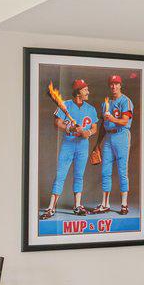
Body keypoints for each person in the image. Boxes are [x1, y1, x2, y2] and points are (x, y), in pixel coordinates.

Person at [42, 78, 97, 220]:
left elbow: (94, 127)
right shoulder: (65, 104)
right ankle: (51, 207)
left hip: (83, 146)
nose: (88, 92)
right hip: (68, 144)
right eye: (85, 90)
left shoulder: (90, 109)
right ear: (78, 92)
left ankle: (77, 206)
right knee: (60, 175)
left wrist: (88, 133)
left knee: (79, 176)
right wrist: (69, 127)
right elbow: (57, 123)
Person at [96, 73, 135, 216]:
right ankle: (105, 204)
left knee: (122, 171)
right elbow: (102, 125)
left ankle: (124, 204)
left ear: (120, 84)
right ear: (109, 85)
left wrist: (112, 118)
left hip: (121, 135)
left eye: (116, 83)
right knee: (105, 171)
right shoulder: (105, 103)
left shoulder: (126, 101)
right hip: (108, 136)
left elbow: (125, 121)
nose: (114, 86)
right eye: (111, 84)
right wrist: (98, 143)